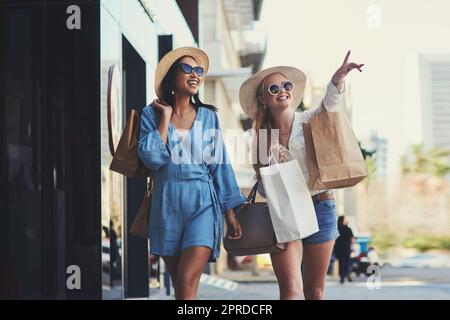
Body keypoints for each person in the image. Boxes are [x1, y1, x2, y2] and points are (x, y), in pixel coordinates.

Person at [236, 51, 364, 299]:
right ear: (264, 98)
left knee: (314, 291)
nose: (281, 90)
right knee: (290, 289)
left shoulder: (309, 120)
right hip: (284, 212)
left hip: (320, 206)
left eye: (286, 85)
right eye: (273, 88)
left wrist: (337, 79)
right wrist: (272, 165)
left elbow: (329, 104)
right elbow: (262, 190)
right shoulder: (261, 138)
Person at [138, 47, 245, 300]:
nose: (195, 74)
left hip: (202, 204)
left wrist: (229, 212)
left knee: (186, 285)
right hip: (167, 205)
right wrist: (164, 118)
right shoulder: (150, 115)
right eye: (187, 69)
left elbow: (220, 164)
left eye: (198, 71)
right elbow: (152, 159)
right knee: (184, 292)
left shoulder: (208, 116)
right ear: (171, 77)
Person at [335, 215, 355, 284]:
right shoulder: (348, 229)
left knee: (341, 262)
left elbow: (334, 239)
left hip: (339, 248)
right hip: (346, 248)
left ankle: (342, 277)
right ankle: (347, 275)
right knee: (347, 262)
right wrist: (353, 246)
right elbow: (352, 239)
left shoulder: (337, 228)